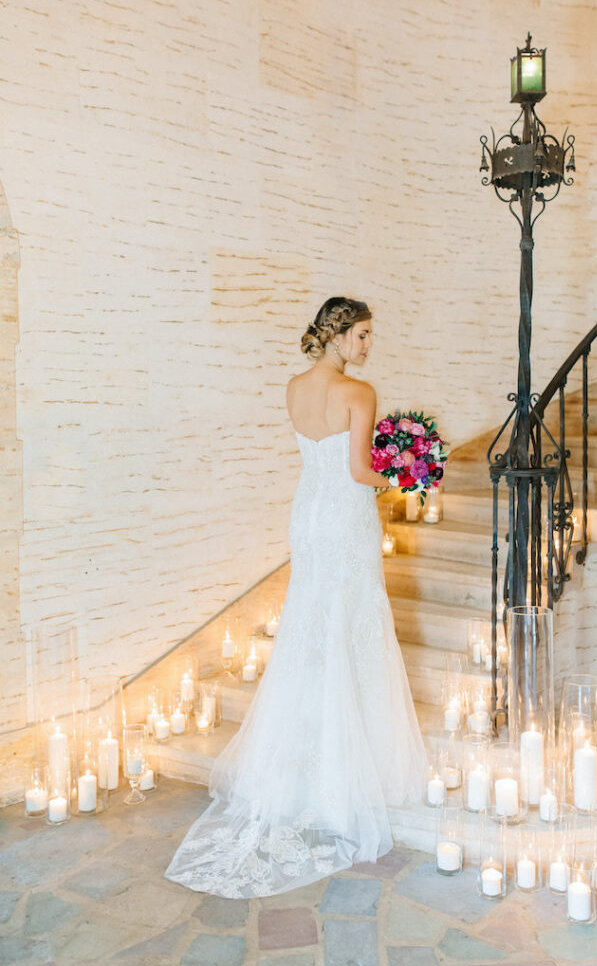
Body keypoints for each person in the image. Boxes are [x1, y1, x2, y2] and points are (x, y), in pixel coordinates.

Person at [164, 297, 429, 899]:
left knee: (314, 622)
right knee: (353, 619)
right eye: (362, 335)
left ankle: (303, 760)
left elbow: (323, 457)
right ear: (338, 336)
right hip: (346, 518)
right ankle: (349, 763)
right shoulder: (359, 393)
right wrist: (409, 470)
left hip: (308, 515)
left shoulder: (291, 387)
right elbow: (362, 471)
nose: (367, 346)